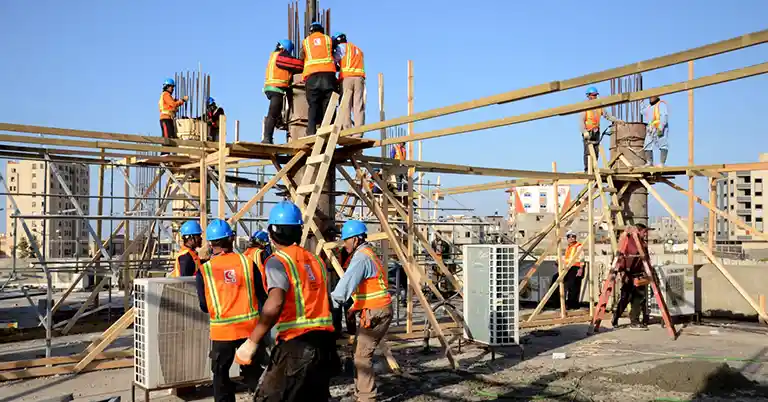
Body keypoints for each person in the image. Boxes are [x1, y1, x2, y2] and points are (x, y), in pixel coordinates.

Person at [235, 201, 337, 402]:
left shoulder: (278, 261)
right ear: (299, 231)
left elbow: (275, 304)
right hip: (324, 344)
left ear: (272, 233)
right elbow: (326, 300)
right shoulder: (316, 261)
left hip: (296, 344)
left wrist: (252, 342)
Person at [194, 219, 268, 401]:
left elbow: (204, 306)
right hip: (249, 330)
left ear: (211, 243)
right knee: (254, 371)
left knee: (221, 375)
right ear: (232, 239)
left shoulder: (205, 271)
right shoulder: (247, 263)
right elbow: (262, 296)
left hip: (222, 332)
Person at [331, 220, 392, 402]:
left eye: (347, 240)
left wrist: (327, 307)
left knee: (361, 357)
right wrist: (354, 307)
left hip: (376, 312)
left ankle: (366, 398)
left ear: (356, 239)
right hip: (378, 309)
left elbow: (344, 289)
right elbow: (367, 288)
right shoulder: (368, 254)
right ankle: (362, 395)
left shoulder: (361, 258)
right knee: (360, 352)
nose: (345, 244)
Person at [263, 39, 304, 144]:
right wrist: (305, 64)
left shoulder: (273, 55)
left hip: (272, 88)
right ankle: (267, 138)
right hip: (276, 88)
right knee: (273, 113)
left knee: (277, 113)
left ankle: (278, 122)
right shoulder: (281, 55)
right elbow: (294, 64)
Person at [611, 224, 652, 330]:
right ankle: (615, 318)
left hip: (640, 275)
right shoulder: (628, 242)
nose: (646, 234)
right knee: (625, 299)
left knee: (638, 299)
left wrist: (648, 272)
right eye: (644, 232)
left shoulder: (643, 244)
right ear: (638, 232)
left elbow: (646, 259)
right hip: (628, 274)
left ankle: (635, 321)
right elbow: (621, 257)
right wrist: (621, 272)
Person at [302, 22, 338, 137]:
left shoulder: (306, 41)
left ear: (311, 31)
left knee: (313, 105)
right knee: (329, 105)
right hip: (329, 76)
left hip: (312, 77)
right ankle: (328, 131)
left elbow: (302, 56)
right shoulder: (328, 40)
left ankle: (311, 132)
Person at [579, 86, 624, 172]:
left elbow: (608, 116)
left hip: (596, 132)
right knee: (588, 152)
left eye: (595, 95)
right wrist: (584, 131)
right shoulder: (585, 106)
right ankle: (587, 169)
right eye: (593, 95)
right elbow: (581, 120)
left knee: (596, 152)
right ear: (588, 96)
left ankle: (594, 168)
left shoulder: (599, 106)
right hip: (588, 132)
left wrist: (617, 120)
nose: (595, 97)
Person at [332, 32, 366, 133]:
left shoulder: (341, 48)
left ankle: (348, 130)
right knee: (358, 104)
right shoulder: (358, 49)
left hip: (347, 78)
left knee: (345, 104)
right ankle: (359, 131)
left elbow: (333, 60)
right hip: (359, 78)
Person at [640, 95, 669, 167]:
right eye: (649, 97)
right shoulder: (649, 107)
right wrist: (641, 102)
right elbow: (643, 111)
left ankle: (662, 163)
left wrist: (660, 128)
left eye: (652, 97)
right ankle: (649, 162)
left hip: (659, 127)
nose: (650, 99)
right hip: (651, 129)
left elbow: (664, 116)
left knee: (663, 144)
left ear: (656, 97)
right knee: (647, 145)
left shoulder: (661, 104)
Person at [562, 230, 585, 310]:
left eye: (573, 236)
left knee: (573, 287)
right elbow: (567, 259)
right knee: (570, 286)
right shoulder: (569, 247)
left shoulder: (578, 246)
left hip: (576, 267)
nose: (571, 238)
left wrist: (581, 269)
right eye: (569, 237)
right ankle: (571, 304)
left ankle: (573, 305)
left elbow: (582, 258)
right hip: (569, 268)